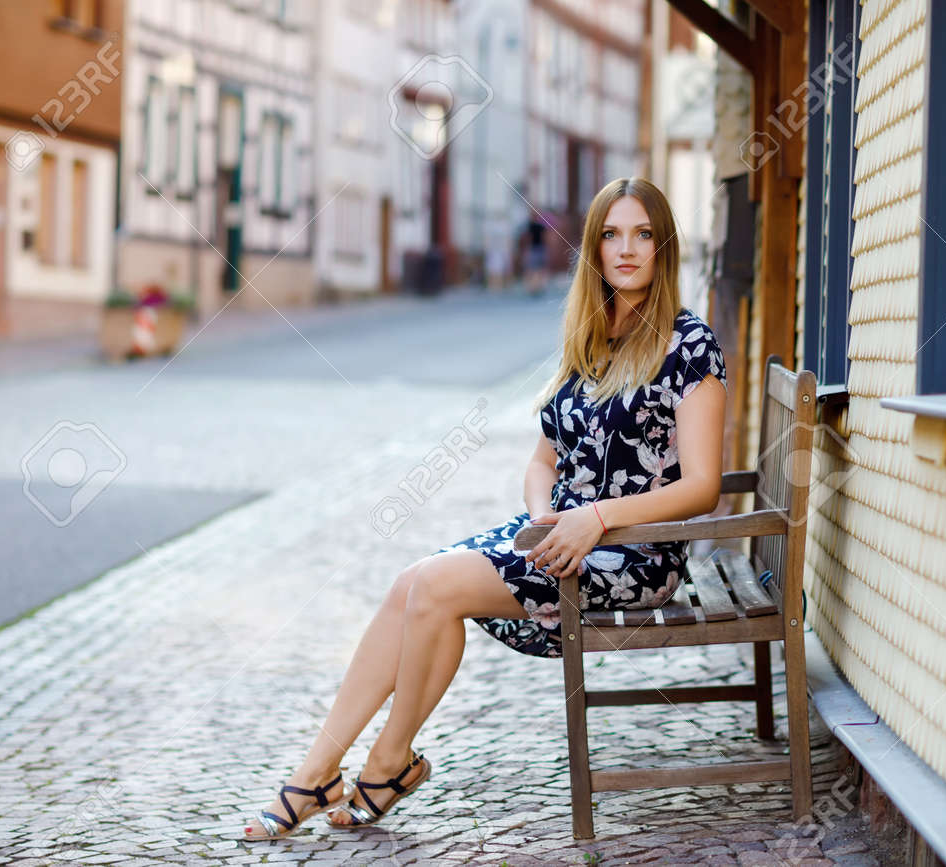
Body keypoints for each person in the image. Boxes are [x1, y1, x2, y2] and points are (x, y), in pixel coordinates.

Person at [241, 177, 728, 839]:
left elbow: (704, 486)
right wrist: (545, 515)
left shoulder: (689, 344)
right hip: (563, 535)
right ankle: (321, 769)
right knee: (410, 583)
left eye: (642, 233)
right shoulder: (591, 336)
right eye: (611, 234)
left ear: (664, 245)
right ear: (592, 247)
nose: (626, 248)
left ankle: (385, 762)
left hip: (634, 553)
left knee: (436, 589)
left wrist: (599, 517)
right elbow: (541, 461)